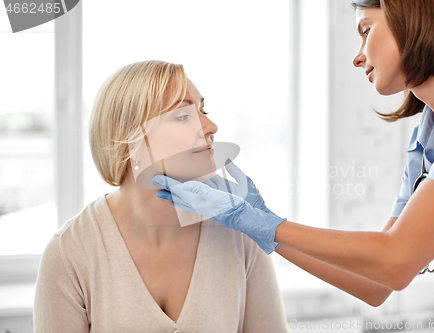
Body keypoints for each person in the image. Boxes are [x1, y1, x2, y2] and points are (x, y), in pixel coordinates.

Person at [152, 0, 434, 326]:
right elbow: (376, 284)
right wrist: (263, 227)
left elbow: (396, 261)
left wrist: (266, 224)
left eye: (366, 31)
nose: (358, 57)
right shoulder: (426, 139)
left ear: (410, 16)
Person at [33, 60, 288, 333]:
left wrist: (274, 229)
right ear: (132, 141)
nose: (211, 126)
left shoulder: (239, 232)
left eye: (203, 110)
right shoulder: (70, 252)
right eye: (183, 116)